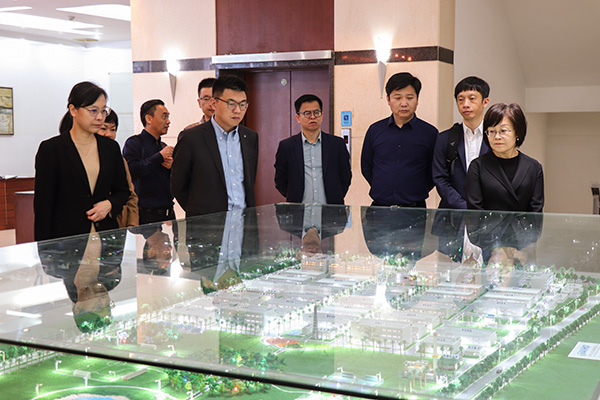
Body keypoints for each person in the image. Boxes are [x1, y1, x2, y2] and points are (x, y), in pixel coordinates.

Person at [34, 81, 129, 241]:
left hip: (105, 238)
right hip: (66, 242)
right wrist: (43, 248)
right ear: (73, 110)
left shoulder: (110, 148)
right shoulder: (51, 149)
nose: (100, 117)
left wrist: (110, 204)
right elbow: (43, 206)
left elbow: (123, 191)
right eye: (93, 110)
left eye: (103, 111)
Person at [171, 75, 259, 216]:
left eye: (243, 104)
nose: (237, 110)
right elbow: (178, 185)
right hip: (207, 224)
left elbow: (249, 181)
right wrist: (199, 213)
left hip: (243, 221)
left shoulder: (250, 137)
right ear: (214, 103)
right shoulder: (191, 138)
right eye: (231, 104)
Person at [361, 72, 438, 207]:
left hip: (415, 208)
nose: (404, 103)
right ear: (388, 100)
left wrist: (416, 190)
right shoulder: (375, 130)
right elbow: (366, 167)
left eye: (410, 98)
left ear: (417, 100)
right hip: (379, 208)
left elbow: (433, 171)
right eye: (397, 98)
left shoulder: (430, 133)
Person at [465, 103, 544, 212]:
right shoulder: (477, 166)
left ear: (517, 132)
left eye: (503, 131)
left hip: (523, 224)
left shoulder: (534, 167)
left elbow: (536, 211)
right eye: (491, 131)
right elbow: (475, 211)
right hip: (488, 224)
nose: (497, 137)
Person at [274, 94, 351, 204]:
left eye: (316, 112)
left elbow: (345, 176)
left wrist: (335, 196)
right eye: (307, 113)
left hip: (331, 210)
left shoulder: (337, 144)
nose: (313, 117)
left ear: (322, 115)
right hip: (299, 210)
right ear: (298, 118)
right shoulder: (287, 146)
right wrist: (295, 195)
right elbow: (280, 181)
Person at [433, 76, 491, 209]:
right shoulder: (444, 138)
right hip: (452, 213)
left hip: (488, 213)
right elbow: (440, 178)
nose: (465, 104)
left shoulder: (495, 137)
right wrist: (463, 207)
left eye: (472, 98)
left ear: (485, 101)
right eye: (460, 99)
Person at [123, 99, 175, 224]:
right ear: (149, 119)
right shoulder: (134, 143)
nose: (168, 121)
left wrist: (172, 167)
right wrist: (159, 157)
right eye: (164, 117)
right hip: (146, 214)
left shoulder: (163, 146)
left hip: (169, 214)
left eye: (168, 117)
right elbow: (131, 171)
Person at [98, 110, 139, 228]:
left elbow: (130, 195)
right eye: (103, 128)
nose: (109, 134)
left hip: (119, 222)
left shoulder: (119, 160)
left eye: (113, 129)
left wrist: (132, 224)